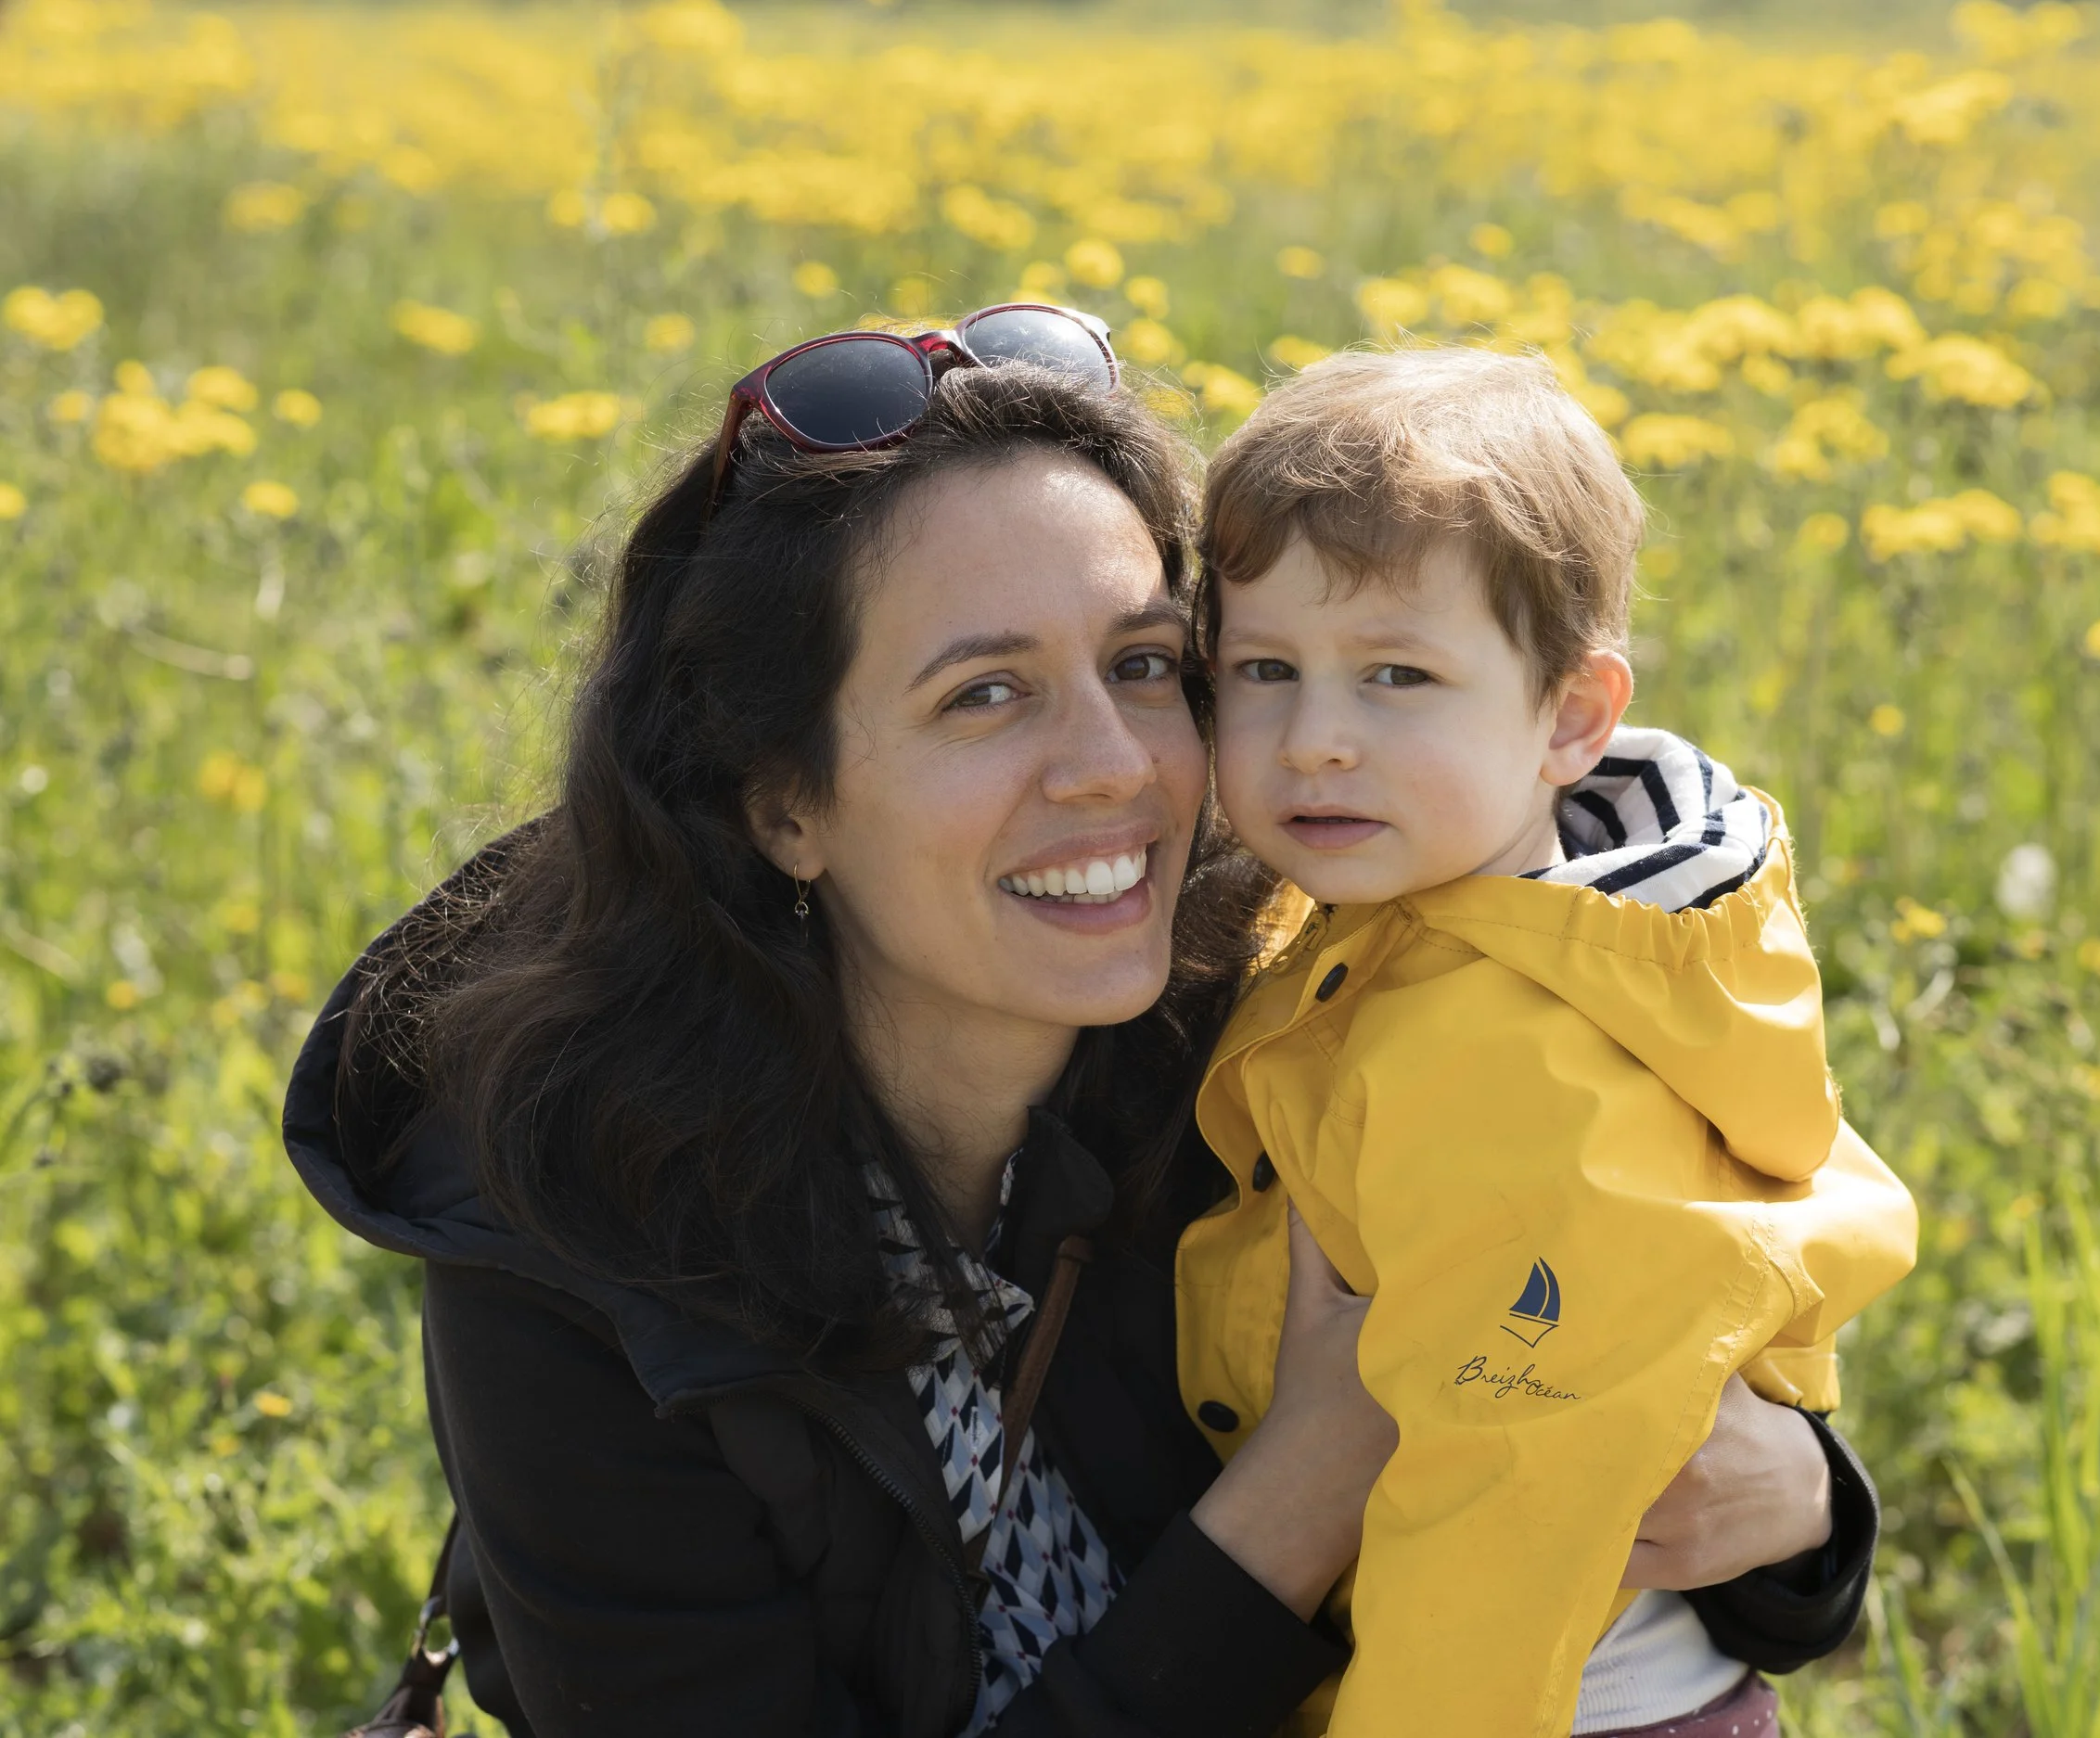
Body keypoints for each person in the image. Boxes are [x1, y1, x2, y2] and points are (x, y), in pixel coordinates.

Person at [283, 310, 1883, 1738]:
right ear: (784, 803)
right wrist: (1315, 1473)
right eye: (987, 693)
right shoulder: (574, 1244)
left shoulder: (1284, 1019)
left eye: (1144, 663)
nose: (1116, 764)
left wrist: (1800, 1506)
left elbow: (1700, 1454)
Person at [1175, 347, 1919, 1738]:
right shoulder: (1431, 926)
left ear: (1572, 715)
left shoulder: (1523, 1045)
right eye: (1265, 668)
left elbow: (1502, 1503)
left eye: (1397, 673)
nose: (1317, 738)